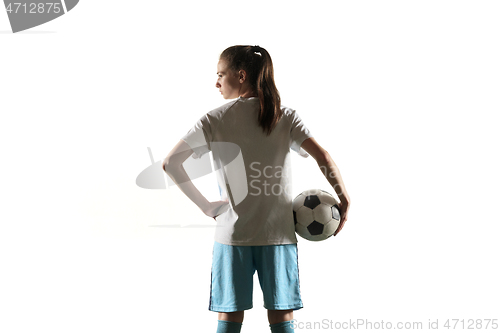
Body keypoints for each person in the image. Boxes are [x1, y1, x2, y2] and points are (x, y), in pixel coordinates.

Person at [162, 45, 351, 333]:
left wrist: (206, 206)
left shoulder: (214, 119)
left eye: (220, 75)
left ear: (240, 75)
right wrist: (343, 198)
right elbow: (323, 157)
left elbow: (170, 164)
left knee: (229, 318)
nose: (216, 82)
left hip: (232, 236)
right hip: (278, 237)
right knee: (282, 318)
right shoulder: (285, 116)